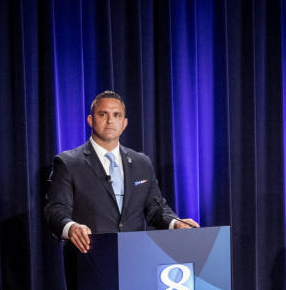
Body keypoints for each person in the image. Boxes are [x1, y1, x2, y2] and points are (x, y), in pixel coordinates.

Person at [44, 90, 198, 254]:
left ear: (124, 123)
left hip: (135, 257)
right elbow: (56, 210)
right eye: (103, 114)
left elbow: (156, 208)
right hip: (90, 258)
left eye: (116, 115)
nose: (110, 120)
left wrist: (176, 223)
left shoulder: (141, 162)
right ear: (90, 120)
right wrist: (71, 227)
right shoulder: (69, 163)